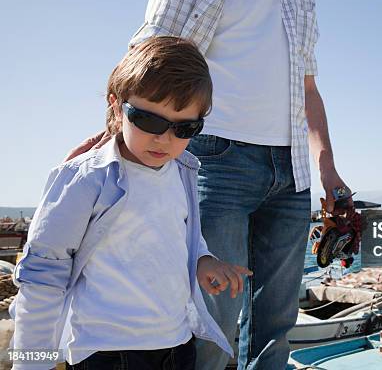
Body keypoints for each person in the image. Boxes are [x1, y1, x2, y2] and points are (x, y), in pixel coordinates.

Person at [66, 0, 353, 369]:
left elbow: (309, 89)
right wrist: (113, 136)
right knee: (210, 317)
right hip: (212, 157)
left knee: (277, 326)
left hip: (292, 171)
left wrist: (328, 170)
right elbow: (147, 54)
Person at [10, 36, 251, 370]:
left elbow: (182, 238)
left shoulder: (183, 172)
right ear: (116, 105)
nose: (164, 138)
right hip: (108, 353)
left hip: (178, 345)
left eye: (185, 128)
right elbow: (42, 274)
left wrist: (203, 259)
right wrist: (30, 363)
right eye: (149, 120)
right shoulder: (85, 179)